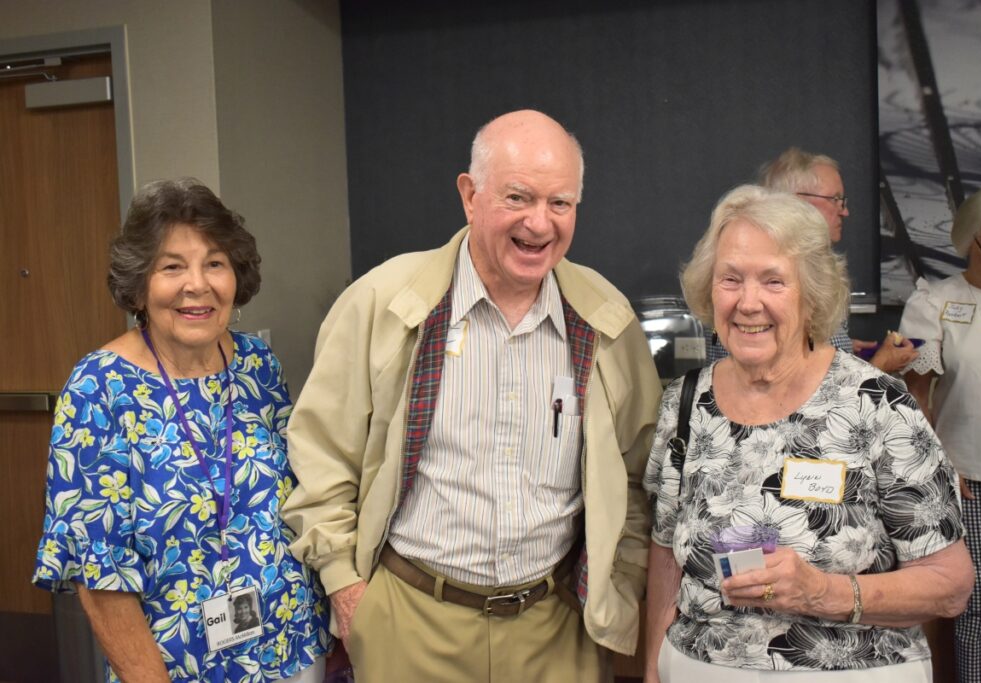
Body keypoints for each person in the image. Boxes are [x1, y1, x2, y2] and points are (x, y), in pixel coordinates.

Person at [281, 110, 662, 682]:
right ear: (469, 195)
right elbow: (322, 455)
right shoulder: (382, 304)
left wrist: (615, 588)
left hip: (556, 627)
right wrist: (348, 589)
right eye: (518, 197)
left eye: (560, 203)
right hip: (409, 619)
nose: (540, 222)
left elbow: (639, 475)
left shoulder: (605, 321)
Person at [644, 185, 974, 682]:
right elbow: (667, 548)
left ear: (812, 292)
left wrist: (825, 592)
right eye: (730, 278)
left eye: (773, 281)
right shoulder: (685, 402)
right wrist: (653, 663)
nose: (747, 302)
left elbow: (951, 585)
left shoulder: (877, 404)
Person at [32, 178, 332, 682]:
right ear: (138, 283)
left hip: (295, 651)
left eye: (214, 263)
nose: (198, 284)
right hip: (178, 668)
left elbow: (301, 496)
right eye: (172, 266)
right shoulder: (98, 389)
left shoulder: (257, 364)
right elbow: (101, 577)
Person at [898, 182, 981, 682]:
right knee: (975, 608)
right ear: (967, 241)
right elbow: (912, 398)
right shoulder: (936, 300)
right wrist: (938, 463)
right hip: (964, 475)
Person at [705, 148, 918, 374]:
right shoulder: (808, 280)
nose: (844, 211)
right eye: (835, 199)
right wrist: (881, 365)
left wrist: (838, 348)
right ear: (797, 203)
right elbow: (815, 396)